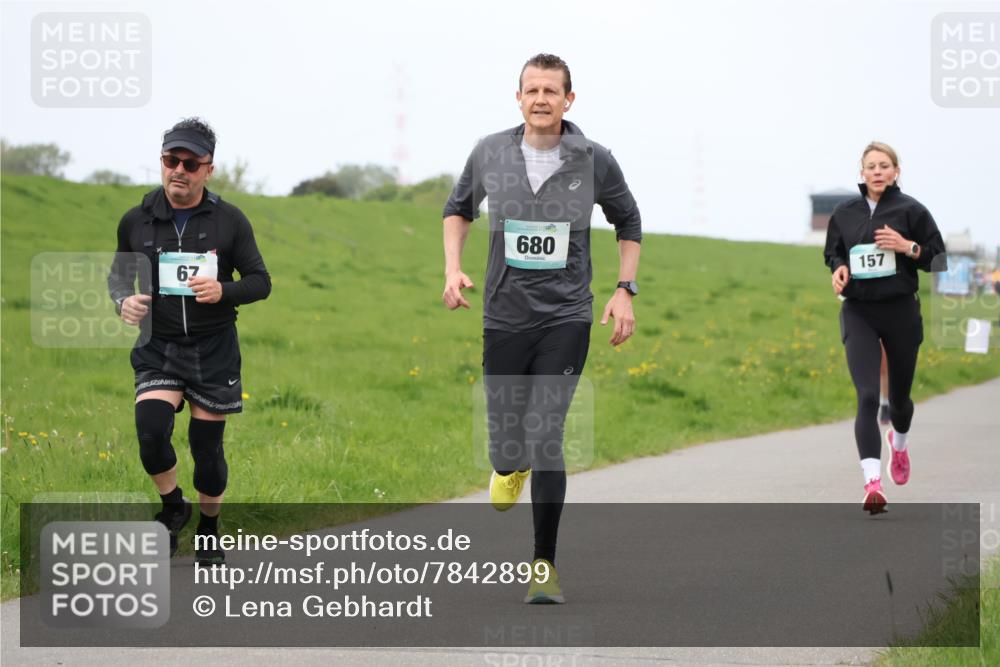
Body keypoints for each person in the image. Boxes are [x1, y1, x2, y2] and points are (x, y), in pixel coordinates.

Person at [442, 54, 641, 602]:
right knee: (509, 448)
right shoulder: (489, 153)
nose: (541, 99)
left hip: (567, 316)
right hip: (504, 316)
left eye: (551, 90)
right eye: (531, 89)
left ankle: (543, 567)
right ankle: (509, 466)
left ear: (568, 100)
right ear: (518, 98)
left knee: (545, 434)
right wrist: (452, 267)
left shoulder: (594, 159)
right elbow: (457, 208)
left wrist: (625, 291)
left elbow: (629, 221)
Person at [108, 118, 271, 562]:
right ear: (161, 162)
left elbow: (260, 281)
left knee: (207, 450)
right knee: (151, 432)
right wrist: (123, 303)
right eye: (170, 160)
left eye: (189, 163)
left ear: (208, 169)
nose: (178, 170)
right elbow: (119, 279)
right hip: (158, 347)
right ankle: (173, 506)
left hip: (213, 349)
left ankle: (210, 527)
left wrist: (225, 290)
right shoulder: (135, 221)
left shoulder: (229, 221)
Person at [824, 141, 944, 514]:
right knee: (867, 395)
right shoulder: (844, 213)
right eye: (870, 166)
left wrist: (908, 247)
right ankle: (872, 483)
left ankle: (900, 443)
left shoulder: (912, 210)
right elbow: (834, 252)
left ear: (896, 172)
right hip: (858, 311)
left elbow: (938, 260)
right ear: (861, 173)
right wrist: (838, 270)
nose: (877, 171)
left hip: (900, 312)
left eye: (884, 166)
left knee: (901, 403)